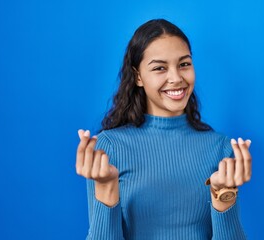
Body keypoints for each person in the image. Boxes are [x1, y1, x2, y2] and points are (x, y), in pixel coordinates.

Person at [76, 19, 252, 240]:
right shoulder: (108, 148)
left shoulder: (220, 149)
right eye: (160, 68)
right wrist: (105, 188)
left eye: (184, 64)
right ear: (138, 76)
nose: (176, 78)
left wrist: (223, 196)